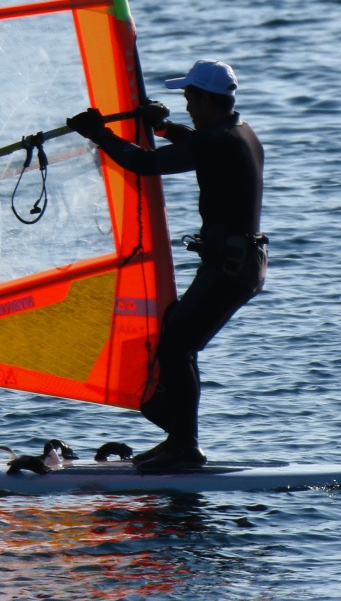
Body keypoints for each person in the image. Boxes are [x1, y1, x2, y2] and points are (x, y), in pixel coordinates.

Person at [69, 59, 264, 472]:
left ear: (208, 99)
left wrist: (99, 134)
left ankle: (184, 446)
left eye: (190, 98)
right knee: (176, 336)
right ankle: (179, 440)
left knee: (177, 344)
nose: (187, 106)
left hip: (231, 268)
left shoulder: (221, 142)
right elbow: (197, 144)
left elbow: (146, 165)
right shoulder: (238, 133)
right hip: (235, 265)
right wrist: (161, 127)